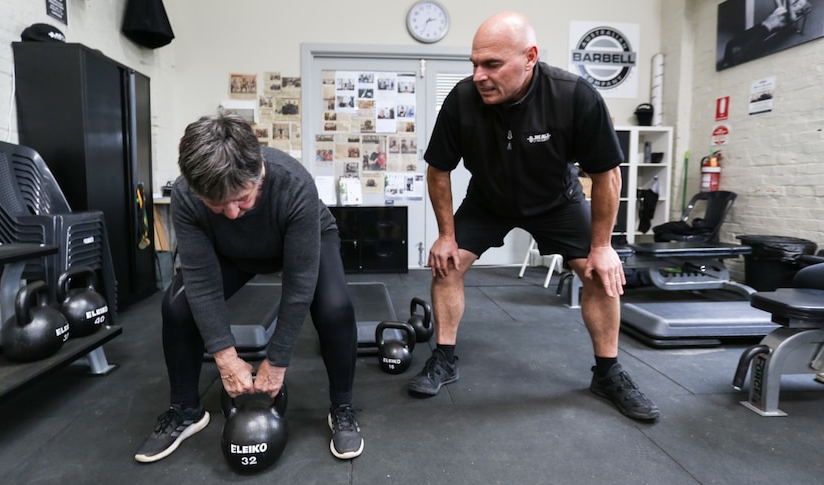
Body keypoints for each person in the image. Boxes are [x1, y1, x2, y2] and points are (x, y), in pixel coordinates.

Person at [408, 11, 660, 421]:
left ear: (530, 58)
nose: (479, 75)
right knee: (446, 265)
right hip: (489, 199)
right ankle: (444, 356)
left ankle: (608, 372)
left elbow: (607, 174)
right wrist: (446, 236)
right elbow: (438, 170)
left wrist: (602, 246)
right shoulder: (461, 100)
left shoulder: (573, 96)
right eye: (474, 64)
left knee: (600, 273)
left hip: (556, 202)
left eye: (492, 64)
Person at [134, 114, 364, 463]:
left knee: (335, 307)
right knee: (177, 306)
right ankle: (185, 411)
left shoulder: (294, 183)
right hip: (232, 252)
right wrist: (226, 359)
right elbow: (201, 282)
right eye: (215, 204)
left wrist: (277, 360)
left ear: (260, 174)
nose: (230, 213)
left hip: (304, 239)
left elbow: (299, 283)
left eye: (241, 198)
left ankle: (343, 408)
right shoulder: (186, 193)